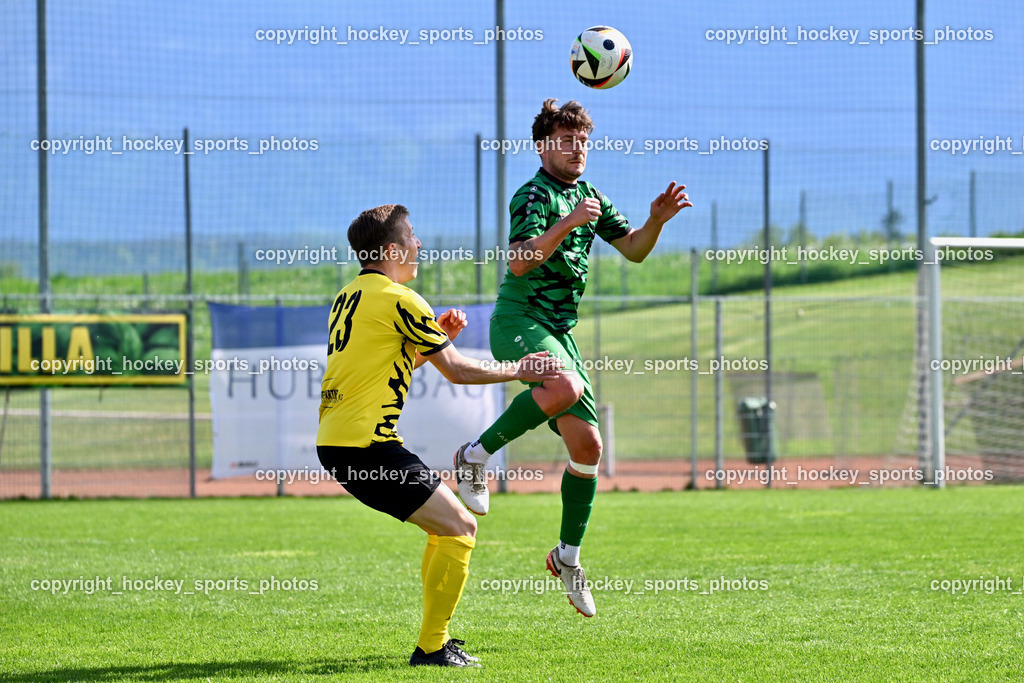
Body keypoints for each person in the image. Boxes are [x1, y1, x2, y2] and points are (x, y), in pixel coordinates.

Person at [453, 99, 692, 617]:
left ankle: (567, 556)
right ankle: (474, 456)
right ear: (543, 147)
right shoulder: (533, 195)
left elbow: (634, 249)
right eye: (567, 141)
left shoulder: (591, 197)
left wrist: (656, 221)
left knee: (589, 447)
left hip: (558, 333)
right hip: (518, 321)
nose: (577, 149)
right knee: (565, 387)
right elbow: (520, 263)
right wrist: (567, 223)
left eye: (583, 141)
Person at [317, 204, 563, 668]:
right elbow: (459, 371)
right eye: (411, 235)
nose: (419, 243)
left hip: (341, 442)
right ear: (392, 250)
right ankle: (432, 647)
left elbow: (383, 366)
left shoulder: (348, 296)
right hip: (366, 447)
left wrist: (432, 343)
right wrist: (520, 368)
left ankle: (435, 641)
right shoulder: (402, 299)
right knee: (461, 527)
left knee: (447, 526)